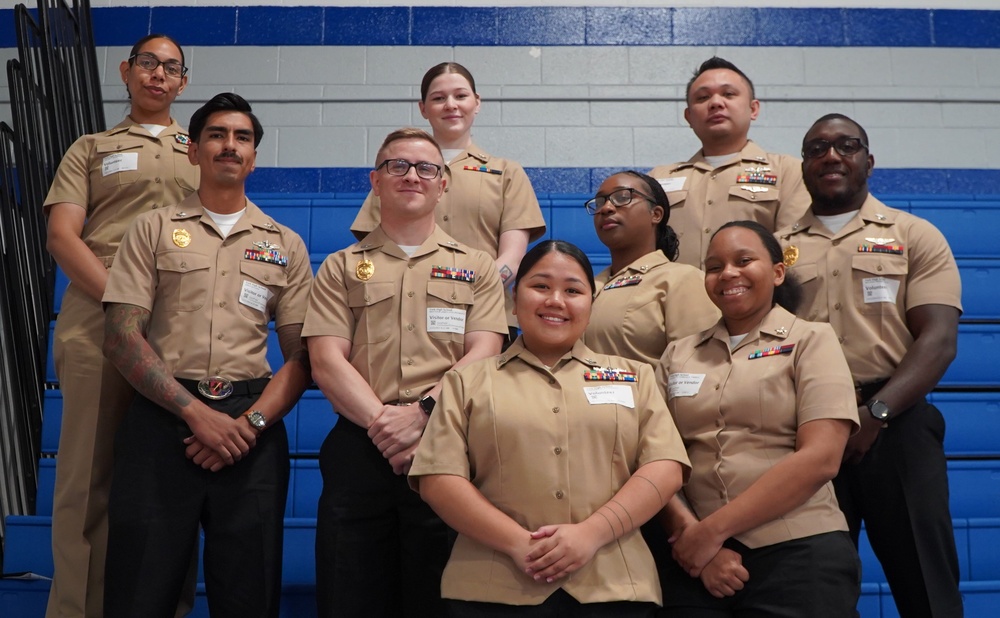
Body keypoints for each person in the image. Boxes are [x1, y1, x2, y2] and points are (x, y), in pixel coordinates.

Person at [100, 92, 313, 618]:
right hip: (162, 421)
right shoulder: (150, 229)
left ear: (254, 157)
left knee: (248, 595)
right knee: (138, 592)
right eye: (217, 134)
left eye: (242, 137)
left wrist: (249, 424)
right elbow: (123, 337)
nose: (229, 145)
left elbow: (302, 359)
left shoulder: (285, 244)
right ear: (193, 150)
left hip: (251, 433)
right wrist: (197, 415)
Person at [410, 240, 690, 617]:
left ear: (592, 304)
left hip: (615, 587)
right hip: (491, 588)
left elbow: (665, 467)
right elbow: (438, 478)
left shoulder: (634, 377)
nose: (556, 300)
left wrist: (591, 534)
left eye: (573, 290)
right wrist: (516, 544)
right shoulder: (467, 381)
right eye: (540, 286)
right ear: (513, 297)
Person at [304, 127, 508, 617]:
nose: (412, 175)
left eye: (426, 168)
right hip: (360, 445)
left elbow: (486, 350)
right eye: (398, 166)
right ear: (375, 181)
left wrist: (421, 414)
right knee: (349, 592)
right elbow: (326, 359)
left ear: (444, 184)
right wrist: (385, 425)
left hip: (444, 445)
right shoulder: (341, 266)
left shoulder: (478, 267)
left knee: (437, 596)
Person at [777, 114, 964, 617]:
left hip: (897, 423)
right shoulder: (775, 249)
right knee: (816, 585)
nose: (832, 156)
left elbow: (939, 339)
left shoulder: (914, 234)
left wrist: (876, 413)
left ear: (869, 161)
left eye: (846, 146)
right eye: (817, 148)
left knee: (925, 578)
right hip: (804, 429)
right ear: (804, 165)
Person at [42, 33, 199, 618]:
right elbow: (62, 235)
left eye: (171, 68)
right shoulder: (91, 146)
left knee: (175, 477)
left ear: (183, 82)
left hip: (182, 315)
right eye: (147, 63)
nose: (158, 75)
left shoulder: (203, 145)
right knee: (86, 475)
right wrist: (122, 302)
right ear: (126, 71)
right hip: (99, 310)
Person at [656, 220, 861, 616]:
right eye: (714, 267)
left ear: (778, 271)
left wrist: (710, 533)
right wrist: (690, 538)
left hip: (800, 552)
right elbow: (656, 458)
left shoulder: (811, 340)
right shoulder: (678, 354)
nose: (727, 273)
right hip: (696, 562)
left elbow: (821, 458)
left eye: (744, 260)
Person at [350, 61, 546, 342]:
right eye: (439, 98)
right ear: (423, 108)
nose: (450, 105)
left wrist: (463, 292)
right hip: (403, 318)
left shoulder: (506, 173)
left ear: (477, 103)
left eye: (461, 96)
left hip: (484, 317)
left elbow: (511, 260)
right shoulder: (397, 172)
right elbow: (373, 251)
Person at [649, 57, 810, 269]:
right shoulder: (658, 179)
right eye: (703, 97)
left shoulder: (788, 171)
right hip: (675, 300)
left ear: (753, 109)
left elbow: (792, 251)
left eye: (729, 94)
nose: (716, 103)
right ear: (689, 117)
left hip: (751, 298)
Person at [584, 170, 719, 368]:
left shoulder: (682, 280)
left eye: (622, 197)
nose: (606, 208)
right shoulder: (588, 287)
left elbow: (699, 369)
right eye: (599, 202)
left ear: (655, 214)